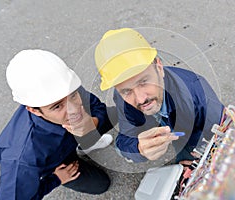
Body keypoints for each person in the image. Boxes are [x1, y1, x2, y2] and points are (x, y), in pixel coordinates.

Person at [0, 50, 114, 199]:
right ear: (34, 110)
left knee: (113, 115)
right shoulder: (23, 160)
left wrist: (92, 125)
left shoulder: (63, 89)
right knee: (101, 184)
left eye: (73, 96)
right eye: (57, 106)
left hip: (68, 141)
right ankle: (81, 146)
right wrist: (56, 179)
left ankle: (85, 141)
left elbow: (98, 108)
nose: (73, 109)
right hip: (56, 163)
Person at [94, 28, 224, 163]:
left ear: (159, 67)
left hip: (193, 139)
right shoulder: (122, 97)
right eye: (127, 91)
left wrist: (203, 160)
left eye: (144, 82)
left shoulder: (200, 96)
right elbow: (123, 140)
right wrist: (139, 148)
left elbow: (222, 136)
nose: (140, 99)